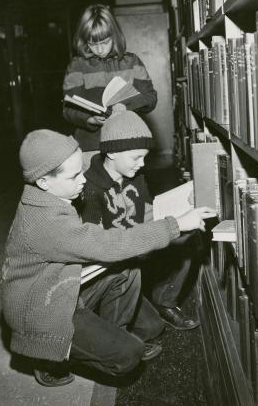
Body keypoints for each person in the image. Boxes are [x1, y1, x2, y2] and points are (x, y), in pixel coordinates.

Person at [0, 129, 215, 387]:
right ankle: (50, 357)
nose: (83, 180)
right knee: (129, 356)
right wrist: (175, 225)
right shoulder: (45, 222)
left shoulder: (47, 198)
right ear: (44, 182)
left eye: (81, 170)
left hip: (60, 289)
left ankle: (110, 337)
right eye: (74, 176)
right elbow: (109, 244)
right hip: (44, 312)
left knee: (127, 271)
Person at [80, 109, 202, 330]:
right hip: (116, 260)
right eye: (136, 157)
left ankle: (164, 299)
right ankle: (111, 318)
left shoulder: (135, 177)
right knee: (150, 330)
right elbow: (94, 244)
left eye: (145, 157)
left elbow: (148, 210)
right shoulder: (90, 188)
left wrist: (186, 204)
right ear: (113, 153)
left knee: (189, 235)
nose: (142, 164)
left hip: (139, 246)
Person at [62, 4, 157, 171]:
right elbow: (68, 108)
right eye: (92, 44)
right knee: (94, 194)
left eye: (104, 42)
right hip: (91, 145)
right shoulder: (77, 66)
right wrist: (88, 119)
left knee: (130, 193)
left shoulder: (132, 62)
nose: (99, 49)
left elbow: (150, 98)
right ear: (85, 41)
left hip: (128, 143)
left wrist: (126, 107)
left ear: (115, 36)